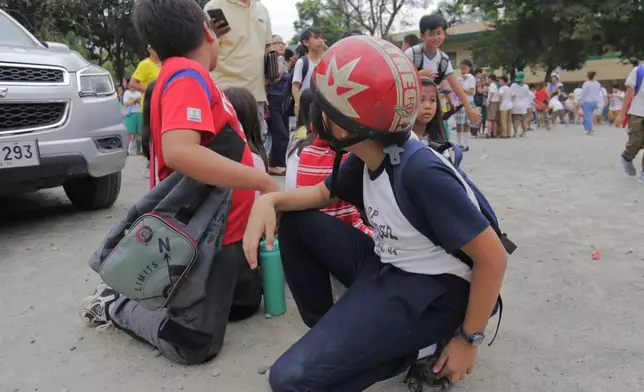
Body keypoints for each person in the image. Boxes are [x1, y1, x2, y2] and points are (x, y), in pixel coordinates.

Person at [243, 35, 507, 392]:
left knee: (290, 381)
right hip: (389, 266)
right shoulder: (369, 154)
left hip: (433, 292)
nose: (314, 114)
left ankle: (424, 345)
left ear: (345, 125)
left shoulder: (419, 172)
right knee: (297, 222)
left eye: (323, 106)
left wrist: (468, 339)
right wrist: (269, 201)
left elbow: (493, 259)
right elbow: (319, 195)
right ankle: (337, 333)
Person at [79, 0, 280, 365]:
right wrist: (261, 180)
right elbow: (179, 151)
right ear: (208, 31)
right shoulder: (186, 76)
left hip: (229, 232)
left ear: (154, 50)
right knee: (194, 342)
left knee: (244, 306)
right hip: (205, 239)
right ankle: (115, 304)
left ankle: (191, 298)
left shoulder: (187, 76)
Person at [204, 0, 273, 141]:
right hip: (224, 91)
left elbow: (267, 47)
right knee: (225, 145)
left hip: (256, 94)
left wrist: (272, 71)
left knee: (257, 144)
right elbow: (203, 48)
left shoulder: (261, 9)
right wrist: (212, 36)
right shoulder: (215, 6)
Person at [404, 13, 481, 125]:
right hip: (410, 108)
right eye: (431, 34)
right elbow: (398, 80)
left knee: (436, 137)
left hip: (431, 108)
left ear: (444, 34)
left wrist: (469, 109)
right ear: (422, 35)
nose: (436, 38)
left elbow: (456, 87)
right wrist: (419, 75)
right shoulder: (412, 54)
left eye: (439, 33)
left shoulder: (443, 59)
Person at [617, 63, 644, 181]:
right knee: (635, 142)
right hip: (638, 112)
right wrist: (622, 112)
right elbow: (629, 92)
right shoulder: (639, 70)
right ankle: (627, 157)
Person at [292, 27, 325, 119]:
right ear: (306, 42)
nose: (320, 41)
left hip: (323, 106)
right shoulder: (302, 62)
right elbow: (295, 86)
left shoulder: (326, 61)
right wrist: (298, 105)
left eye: (322, 38)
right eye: (316, 38)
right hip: (307, 106)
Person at [414, 78, 448, 145]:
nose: (427, 106)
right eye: (421, 100)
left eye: (432, 100)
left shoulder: (439, 139)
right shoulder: (399, 140)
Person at [454, 59, 476, 150]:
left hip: (468, 102)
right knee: (459, 124)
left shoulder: (471, 78)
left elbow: (472, 91)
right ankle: (460, 144)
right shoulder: (459, 78)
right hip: (460, 102)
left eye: (465, 68)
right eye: (461, 68)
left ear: (469, 68)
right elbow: (455, 91)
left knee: (466, 124)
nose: (463, 70)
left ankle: (466, 144)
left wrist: (461, 89)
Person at [122, 78, 143, 155]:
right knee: (130, 133)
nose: (132, 87)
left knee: (139, 132)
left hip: (139, 113)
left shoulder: (139, 92)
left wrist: (133, 100)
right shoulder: (126, 93)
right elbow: (126, 103)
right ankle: (129, 150)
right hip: (130, 114)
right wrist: (134, 100)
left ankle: (139, 150)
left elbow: (141, 101)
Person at [580, 71, 602, 135]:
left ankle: (589, 129)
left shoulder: (586, 83)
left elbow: (583, 93)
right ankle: (588, 128)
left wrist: (580, 99)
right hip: (595, 102)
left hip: (587, 101)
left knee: (587, 116)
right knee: (590, 115)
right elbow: (598, 93)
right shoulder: (598, 83)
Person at [509, 71, 530, 137]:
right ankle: (524, 132)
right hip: (523, 106)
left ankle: (515, 133)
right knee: (523, 120)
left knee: (515, 120)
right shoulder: (526, 86)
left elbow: (511, 94)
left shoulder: (513, 85)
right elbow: (526, 95)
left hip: (515, 105)